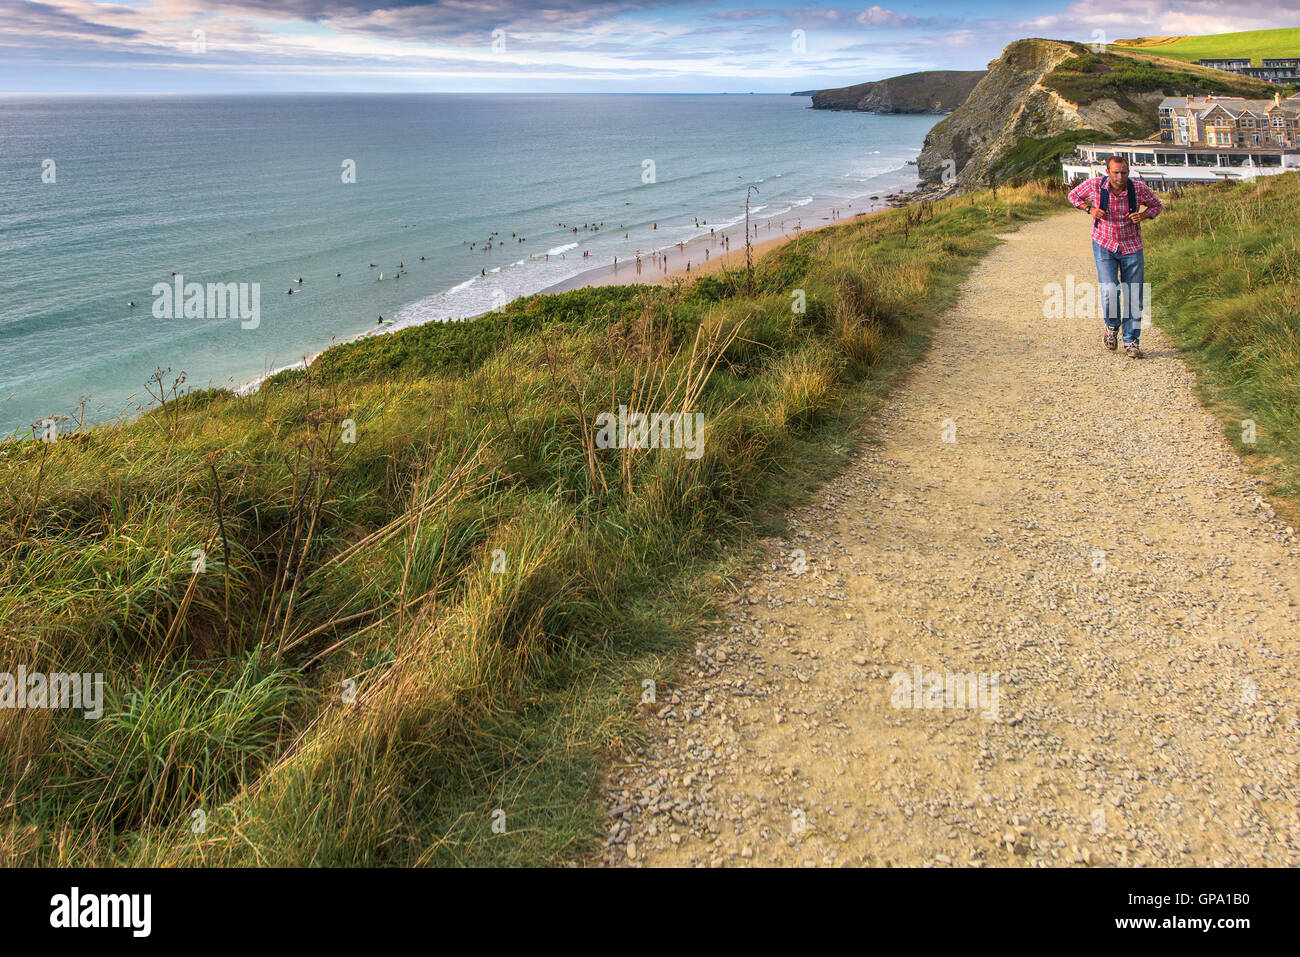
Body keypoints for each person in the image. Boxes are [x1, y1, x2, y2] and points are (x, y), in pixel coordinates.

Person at [1068, 155, 1163, 358]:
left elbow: (1157, 205)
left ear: (1128, 172)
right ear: (1108, 171)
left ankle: (1131, 341)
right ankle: (1112, 327)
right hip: (1104, 244)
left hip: (1132, 246)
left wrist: (1143, 215)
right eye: (1116, 172)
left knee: (1133, 294)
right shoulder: (1095, 185)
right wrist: (1090, 209)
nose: (1120, 177)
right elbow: (1073, 196)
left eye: (1124, 172)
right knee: (1110, 289)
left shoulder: (1138, 189)